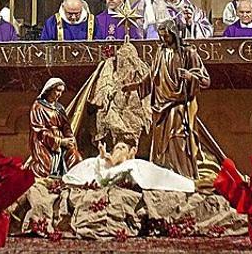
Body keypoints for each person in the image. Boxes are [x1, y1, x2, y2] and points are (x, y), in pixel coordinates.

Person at [124, 20, 221, 180]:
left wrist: (191, 76)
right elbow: (153, 76)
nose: (164, 40)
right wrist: (136, 86)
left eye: (167, 36)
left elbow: (205, 80)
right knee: (161, 146)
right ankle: (162, 176)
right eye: (161, 37)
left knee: (178, 140)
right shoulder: (160, 52)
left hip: (178, 106)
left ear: (175, 34)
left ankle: (182, 176)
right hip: (160, 107)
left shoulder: (188, 53)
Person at [63, 141, 195, 193]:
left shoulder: (131, 162)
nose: (119, 149)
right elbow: (101, 164)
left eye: (123, 147)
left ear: (128, 152)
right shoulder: (103, 160)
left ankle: (187, 184)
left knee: (156, 172)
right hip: (106, 173)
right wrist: (103, 154)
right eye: (117, 147)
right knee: (90, 161)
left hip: (123, 170)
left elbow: (132, 165)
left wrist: (131, 156)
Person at [29, 77, 82, 177]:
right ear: (49, 89)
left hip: (62, 141)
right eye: (57, 91)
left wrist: (70, 138)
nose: (59, 94)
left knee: (76, 158)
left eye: (61, 92)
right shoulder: (38, 107)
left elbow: (66, 126)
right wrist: (59, 141)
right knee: (45, 170)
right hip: (45, 143)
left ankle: (71, 180)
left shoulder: (59, 108)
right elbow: (39, 131)